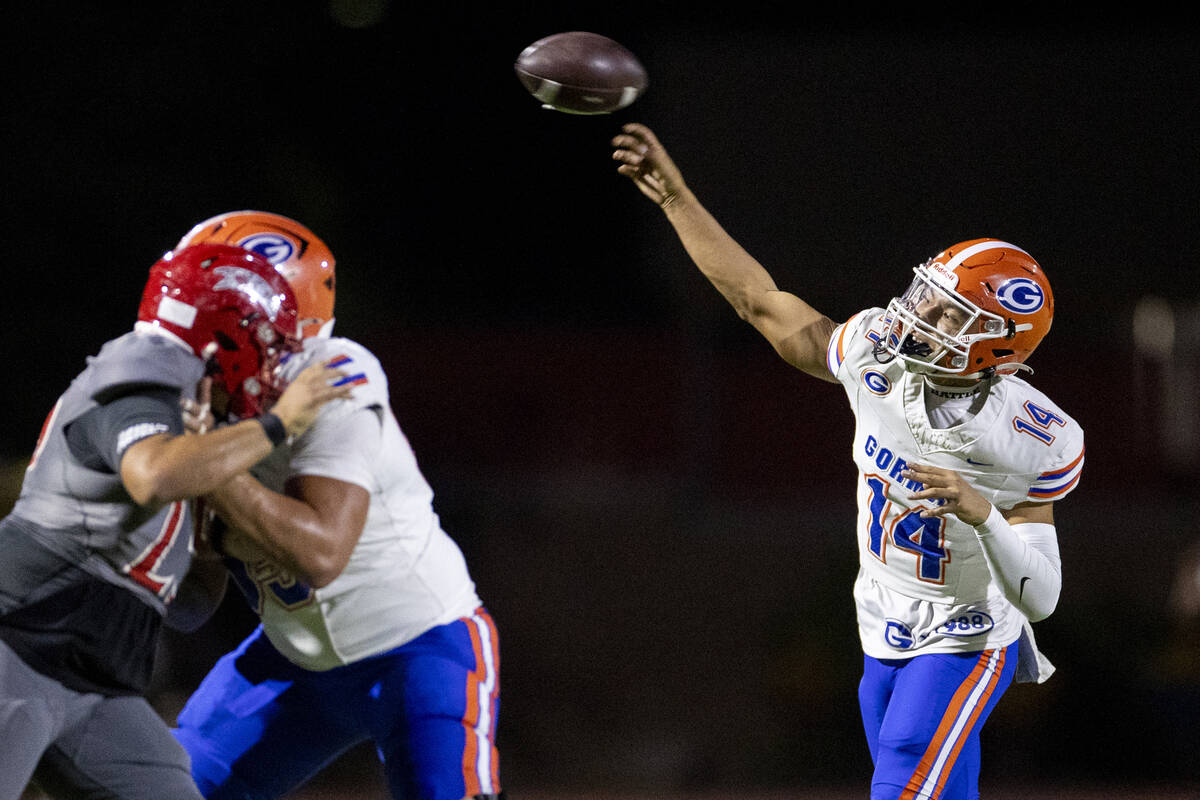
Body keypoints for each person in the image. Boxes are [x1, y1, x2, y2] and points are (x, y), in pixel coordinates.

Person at [612, 124, 1083, 800]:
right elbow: (760, 304)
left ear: (993, 344)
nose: (919, 315)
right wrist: (677, 199)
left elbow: (1040, 596)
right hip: (881, 617)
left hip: (970, 634)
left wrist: (983, 515)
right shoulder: (876, 358)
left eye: (948, 316)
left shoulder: (1030, 435)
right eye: (929, 295)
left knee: (904, 764)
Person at [169, 211, 503, 800]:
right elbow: (192, 604)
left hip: (419, 650)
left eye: (214, 313)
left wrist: (206, 467)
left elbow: (321, 552)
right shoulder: (191, 395)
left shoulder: (333, 374)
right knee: (159, 790)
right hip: (292, 660)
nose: (188, 331)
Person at [0, 242, 348, 800]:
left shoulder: (193, 414)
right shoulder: (147, 367)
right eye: (266, 344)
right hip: (20, 644)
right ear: (226, 333)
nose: (273, 365)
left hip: (94, 682)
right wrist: (278, 425)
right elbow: (151, 475)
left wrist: (218, 535)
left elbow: (185, 608)